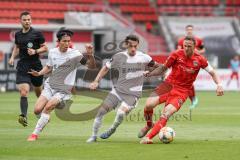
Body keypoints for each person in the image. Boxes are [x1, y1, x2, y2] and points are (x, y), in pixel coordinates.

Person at [139, 36, 224, 144]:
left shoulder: (200, 59)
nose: (186, 48)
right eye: (185, 46)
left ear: (195, 47)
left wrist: (219, 84)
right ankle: (149, 124)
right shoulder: (176, 54)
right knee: (148, 105)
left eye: (189, 46)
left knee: (166, 113)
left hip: (182, 92)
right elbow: (163, 68)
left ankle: (148, 137)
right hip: (168, 85)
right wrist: (150, 73)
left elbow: (213, 73)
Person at [86, 34, 159, 143]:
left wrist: (151, 73)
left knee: (120, 113)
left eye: (135, 46)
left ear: (138, 45)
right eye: (130, 46)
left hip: (133, 94)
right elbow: (105, 68)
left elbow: (159, 67)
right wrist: (96, 81)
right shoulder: (119, 56)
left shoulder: (144, 57)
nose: (133, 48)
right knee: (100, 112)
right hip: (118, 90)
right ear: (125, 45)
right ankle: (93, 136)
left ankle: (112, 129)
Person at [26, 29, 96, 141]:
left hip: (63, 89)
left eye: (69, 41)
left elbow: (91, 66)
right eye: (64, 41)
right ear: (58, 41)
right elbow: (49, 67)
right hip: (50, 85)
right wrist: (39, 73)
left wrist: (90, 55)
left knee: (48, 107)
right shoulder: (53, 52)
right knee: (37, 110)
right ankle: (45, 118)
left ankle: (34, 134)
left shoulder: (75, 54)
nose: (67, 43)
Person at [8, 11, 48, 127]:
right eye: (25, 20)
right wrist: (12, 57)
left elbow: (45, 48)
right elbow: (17, 47)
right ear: (20, 21)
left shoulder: (37, 33)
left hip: (35, 66)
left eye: (29, 20)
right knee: (24, 91)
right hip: (23, 66)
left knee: (38, 92)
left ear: (31, 20)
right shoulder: (18, 34)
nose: (27, 22)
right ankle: (23, 116)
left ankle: (39, 111)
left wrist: (35, 51)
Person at [177, 24, 205, 109]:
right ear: (186, 30)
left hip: (194, 63)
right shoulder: (181, 40)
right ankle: (192, 99)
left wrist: (197, 52)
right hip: (183, 63)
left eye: (191, 29)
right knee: (185, 82)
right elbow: (178, 50)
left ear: (192, 30)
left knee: (187, 81)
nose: (189, 31)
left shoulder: (198, 40)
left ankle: (192, 99)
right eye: (188, 29)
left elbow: (203, 49)